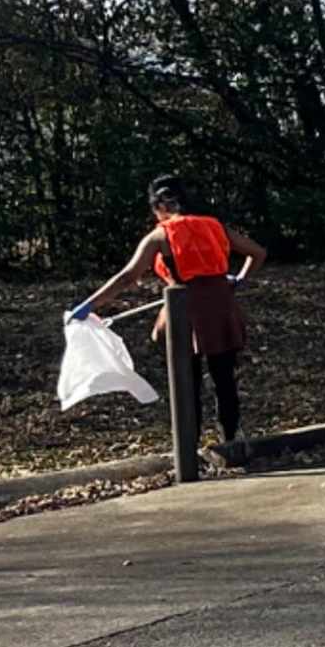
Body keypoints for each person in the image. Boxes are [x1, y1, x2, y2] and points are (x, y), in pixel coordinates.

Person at [77, 177, 268, 465]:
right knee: (224, 378)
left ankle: (187, 448)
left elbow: (128, 276)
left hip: (185, 310)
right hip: (221, 306)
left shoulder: (161, 236)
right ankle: (232, 439)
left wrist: (89, 304)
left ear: (159, 207)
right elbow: (258, 252)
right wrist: (238, 281)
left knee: (186, 381)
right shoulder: (214, 225)